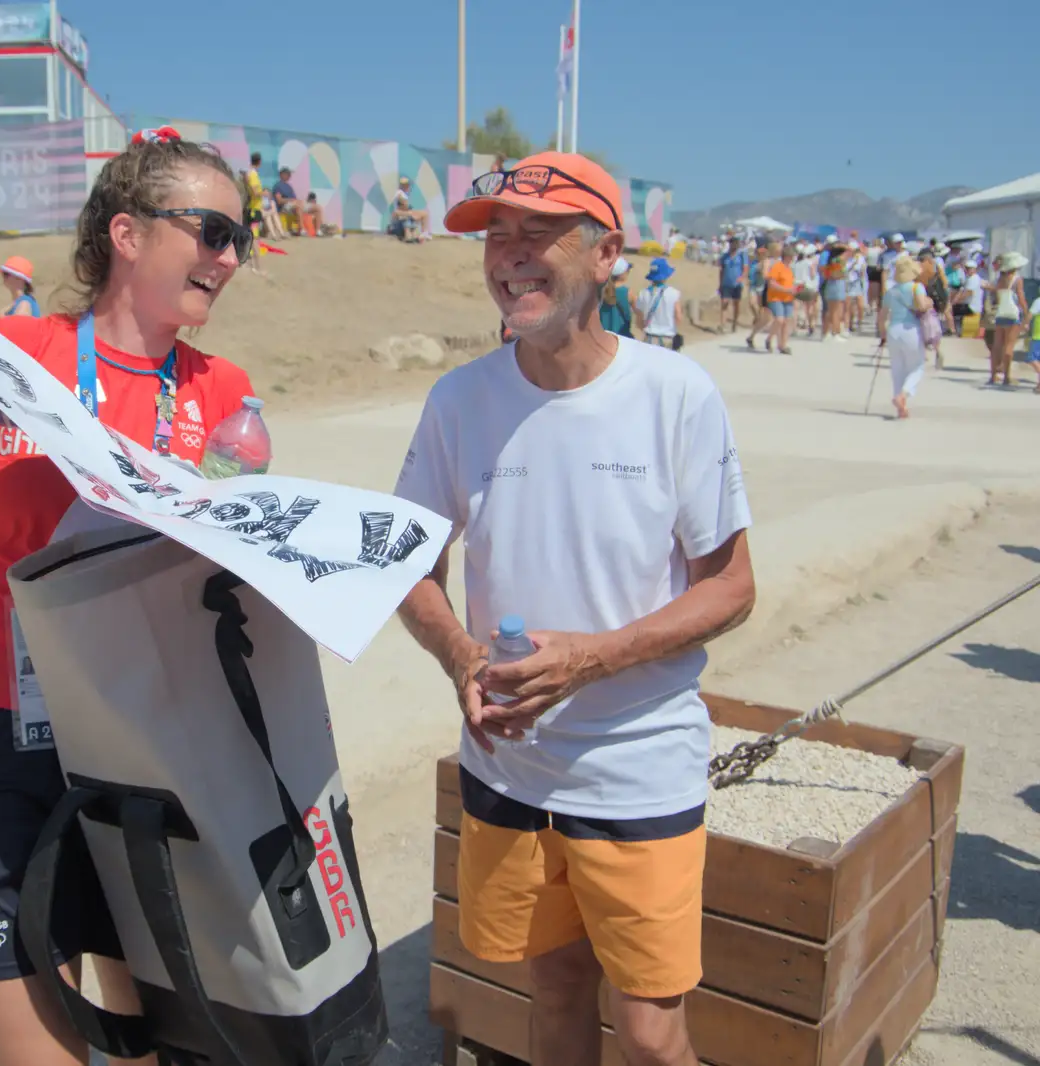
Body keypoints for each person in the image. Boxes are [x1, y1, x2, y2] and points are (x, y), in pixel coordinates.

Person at [0, 127, 258, 1066]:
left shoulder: (223, 393)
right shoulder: (14, 352)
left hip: (147, 750)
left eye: (238, 241)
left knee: (143, 1046)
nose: (228, 257)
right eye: (210, 231)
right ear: (127, 235)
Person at [393, 150, 755, 1066]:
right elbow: (410, 570)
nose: (510, 256)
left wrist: (591, 658)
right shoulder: (458, 400)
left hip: (638, 772)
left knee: (650, 1032)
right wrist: (464, 660)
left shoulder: (674, 395)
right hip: (509, 770)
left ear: (605, 257)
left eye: (538, 234)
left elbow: (732, 585)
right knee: (552, 990)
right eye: (496, 237)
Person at [876, 254, 932, 420]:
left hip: (893, 330)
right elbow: (922, 306)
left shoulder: (891, 291)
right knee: (917, 366)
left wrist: (883, 335)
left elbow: (882, 316)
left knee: (897, 369)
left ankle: (901, 406)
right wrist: (929, 303)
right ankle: (904, 395)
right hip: (911, 329)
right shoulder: (917, 288)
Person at [986, 252, 1030, 388]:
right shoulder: (1017, 279)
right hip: (1013, 314)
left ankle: (993, 376)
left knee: (997, 346)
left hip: (1001, 313)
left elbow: (997, 296)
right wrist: (1027, 314)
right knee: (1009, 346)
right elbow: (1021, 298)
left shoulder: (1000, 279)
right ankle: (1007, 377)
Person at [752, 242, 796, 354]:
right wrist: (786, 290)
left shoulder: (789, 269)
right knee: (779, 319)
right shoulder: (777, 266)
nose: (793, 259)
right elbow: (771, 283)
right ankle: (769, 338)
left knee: (786, 322)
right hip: (775, 297)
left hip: (788, 298)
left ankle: (783, 345)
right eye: (791, 257)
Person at [634, 257, 683, 349]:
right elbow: (678, 317)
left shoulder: (643, 293)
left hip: (649, 337)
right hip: (667, 337)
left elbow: (639, 320)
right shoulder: (674, 293)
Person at [717, 236, 749, 332]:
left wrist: (742, 277)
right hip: (726, 283)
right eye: (732, 243)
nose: (734, 245)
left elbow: (745, 269)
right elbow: (721, 270)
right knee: (724, 303)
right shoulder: (724, 256)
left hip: (737, 284)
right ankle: (723, 325)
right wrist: (720, 283)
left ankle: (735, 322)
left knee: (736, 304)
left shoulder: (742, 256)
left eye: (736, 243)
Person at [599, 257, 633, 338]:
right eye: (627, 271)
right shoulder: (628, 292)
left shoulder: (600, 290)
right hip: (622, 336)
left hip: (602, 334)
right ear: (621, 274)